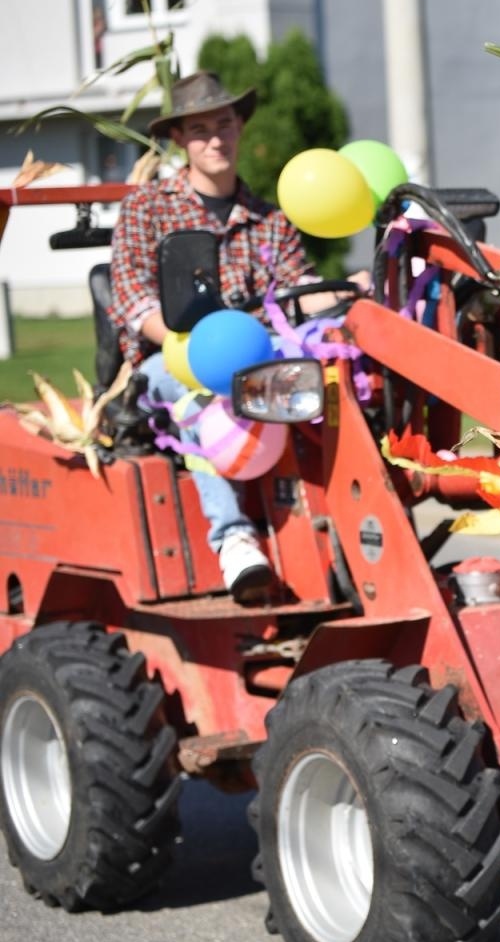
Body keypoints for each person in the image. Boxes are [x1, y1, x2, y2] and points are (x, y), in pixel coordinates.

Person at [107, 72, 357, 604]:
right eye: (200, 129)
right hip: (163, 368)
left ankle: (342, 528)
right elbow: (133, 301)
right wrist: (191, 350)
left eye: (224, 124)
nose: (215, 138)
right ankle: (233, 538)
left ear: (241, 127)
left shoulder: (269, 219)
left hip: (259, 365)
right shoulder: (147, 209)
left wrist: (349, 291)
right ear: (180, 139)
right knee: (200, 394)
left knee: (335, 384)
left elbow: (296, 289)